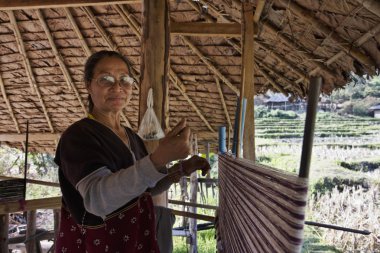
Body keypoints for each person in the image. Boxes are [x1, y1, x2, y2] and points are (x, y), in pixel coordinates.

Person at [54, 50, 211, 252]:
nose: (117, 86)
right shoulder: (78, 136)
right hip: (96, 244)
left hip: (133, 240)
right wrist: (157, 159)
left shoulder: (131, 136)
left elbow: (143, 189)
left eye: (125, 79)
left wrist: (180, 170)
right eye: (105, 79)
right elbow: (97, 200)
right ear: (88, 85)